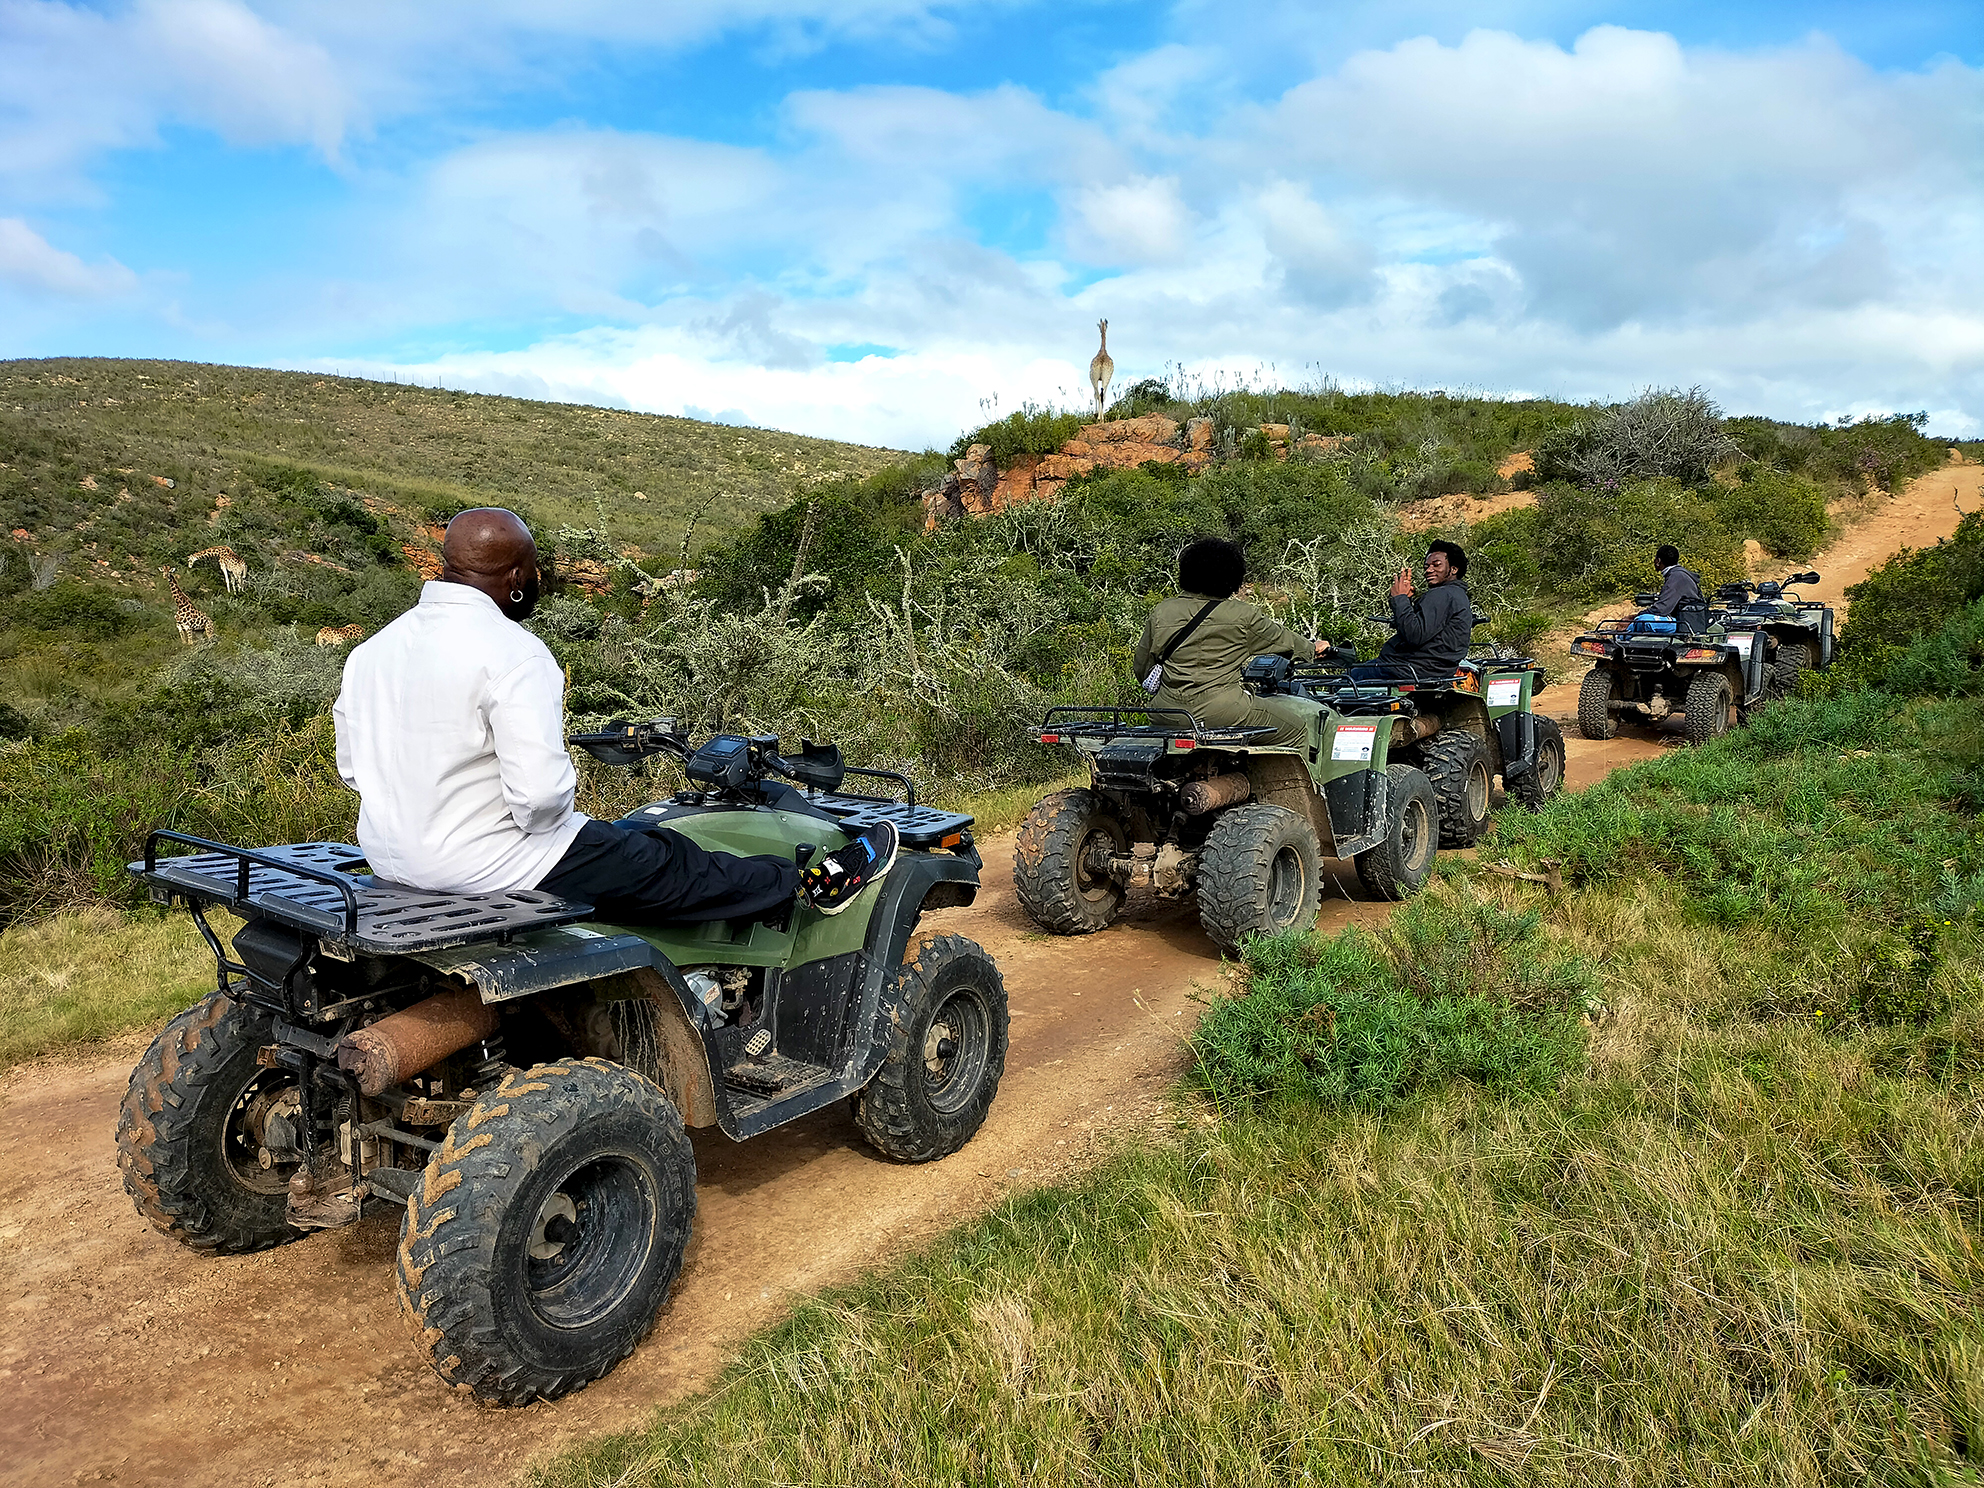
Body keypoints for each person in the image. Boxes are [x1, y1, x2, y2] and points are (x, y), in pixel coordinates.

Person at [332, 508, 894, 923]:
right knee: (671, 861)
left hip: (391, 856)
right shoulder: (513, 651)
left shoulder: (373, 650)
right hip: (489, 864)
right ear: (515, 578)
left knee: (627, 839)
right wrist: (544, 831)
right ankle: (808, 885)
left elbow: (353, 769)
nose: (537, 580)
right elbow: (541, 798)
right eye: (533, 569)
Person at [1133, 537, 1328, 748]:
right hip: (1223, 711)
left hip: (1166, 713)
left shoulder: (1163, 611)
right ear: (1232, 576)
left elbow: (1142, 667)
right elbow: (1283, 639)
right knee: (1297, 730)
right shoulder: (1242, 615)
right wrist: (1312, 648)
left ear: (1187, 571)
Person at [1350, 540, 1473, 683]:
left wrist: (1400, 598)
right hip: (1432, 670)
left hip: (1409, 670)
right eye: (1426, 566)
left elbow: (1414, 634)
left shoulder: (1442, 594)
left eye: (1436, 565)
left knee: (1349, 677)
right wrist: (1407, 602)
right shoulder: (1457, 596)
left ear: (1453, 569)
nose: (1429, 570)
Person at [1649, 544, 1703, 619]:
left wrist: (1638, 615)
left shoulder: (1676, 576)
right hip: (1686, 618)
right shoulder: (1679, 574)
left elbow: (1662, 608)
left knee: (1643, 620)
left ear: (1658, 561)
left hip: (1683, 620)